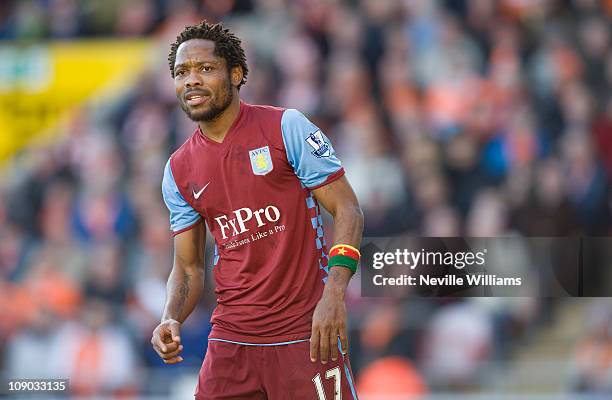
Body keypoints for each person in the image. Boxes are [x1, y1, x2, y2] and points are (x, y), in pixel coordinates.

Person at [150, 20, 363, 400]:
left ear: (236, 74)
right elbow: (187, 267)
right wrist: (171, 317)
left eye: (205, 68)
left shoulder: (286, 127)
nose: (192, 80)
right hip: (233, 340)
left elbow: (347, 209)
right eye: (182, 72)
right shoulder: (178, 169)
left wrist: (334, 296)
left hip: (307, 331)